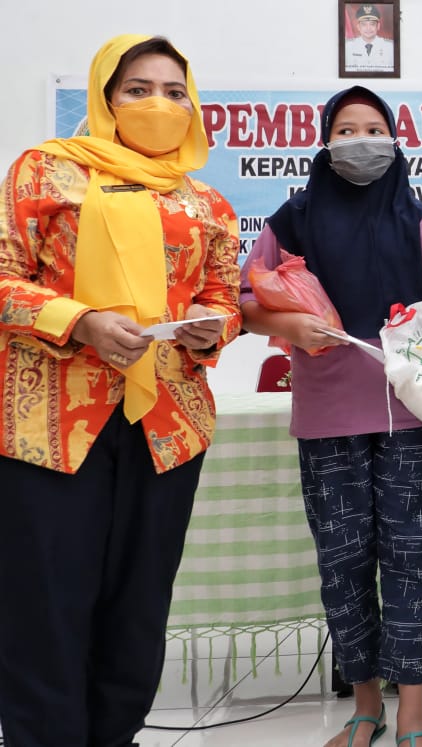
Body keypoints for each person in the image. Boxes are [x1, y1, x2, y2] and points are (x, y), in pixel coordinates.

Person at [239, 85, 422, 747]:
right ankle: (366, 706)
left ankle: (412, 711)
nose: (361, 140)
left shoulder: (414, 217)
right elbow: (242, 303)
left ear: (393, 140)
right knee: (343, 564)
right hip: (325, 415)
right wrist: (287, 324)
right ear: (325, 141)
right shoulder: (293, 219)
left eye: (373, 128)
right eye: (346, 129)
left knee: (412, 557)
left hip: (411, 413)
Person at [0, 34, 242, 747]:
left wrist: (211, 329)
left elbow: (223, 297)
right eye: (137, 89)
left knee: (138, 607)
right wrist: (81, 321)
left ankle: (115, 736)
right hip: (51, 425)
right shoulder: (45, 171)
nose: (158, 104)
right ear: (104, 97)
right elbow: (4, 277)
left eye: (174, 92)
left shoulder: (206, 201)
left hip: (166, 426)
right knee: (46, 603)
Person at [345, 3, 395, 73]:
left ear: (378, 26)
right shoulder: (348, 46)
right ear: (358, 27)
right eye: (364, 24)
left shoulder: (390, 47)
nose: (368, 28)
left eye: (372, 24)